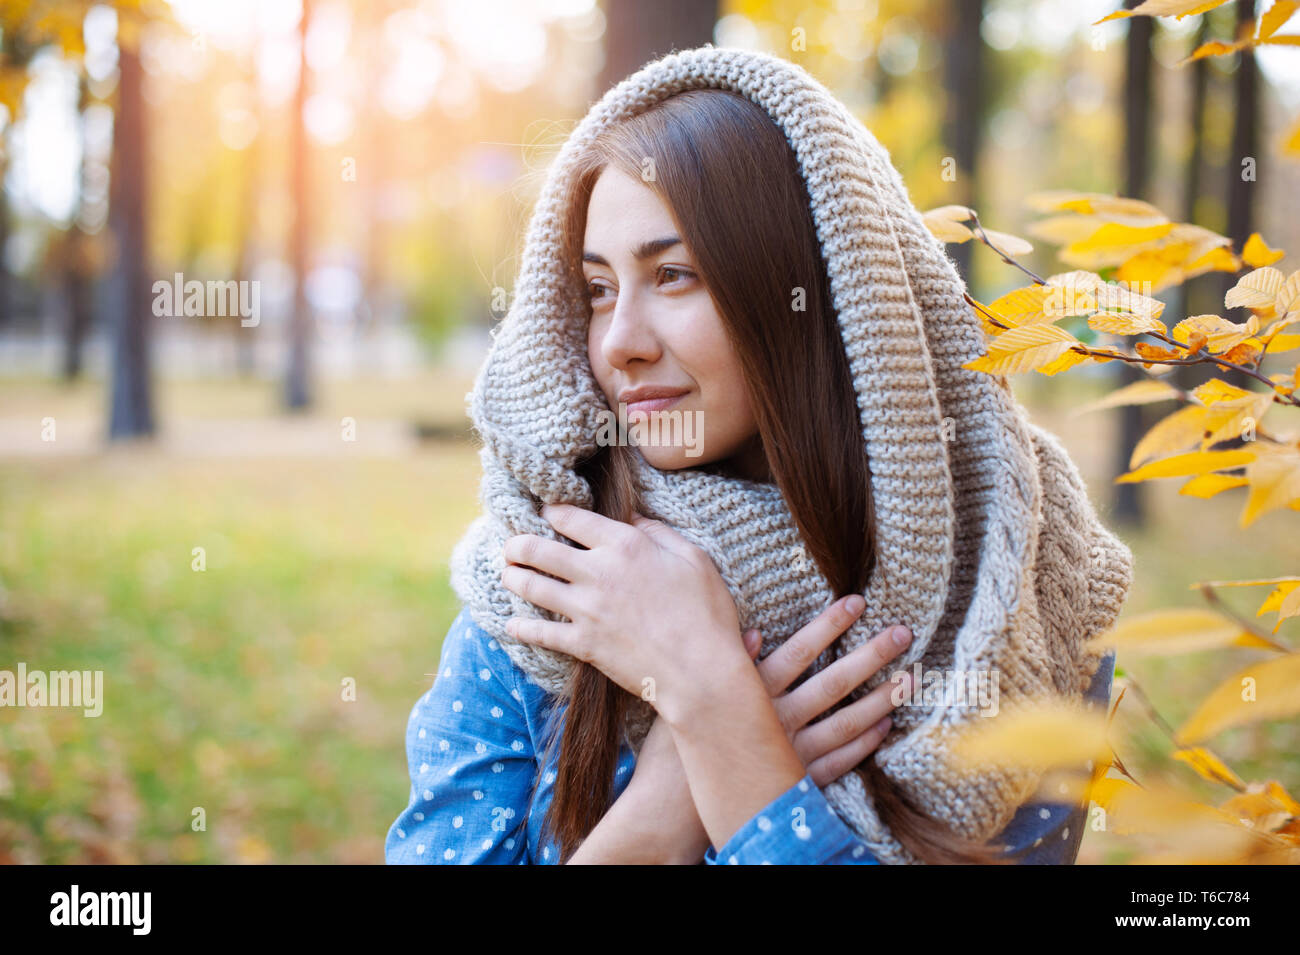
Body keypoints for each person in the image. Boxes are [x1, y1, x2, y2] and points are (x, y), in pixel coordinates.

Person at [386, 45, 1130, 865]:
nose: (621, 343)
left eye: (673, 275)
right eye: (598, 289)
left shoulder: (1020, 582)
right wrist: (668, 800)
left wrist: (725, 729)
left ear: (813, 290)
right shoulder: (543, 583)